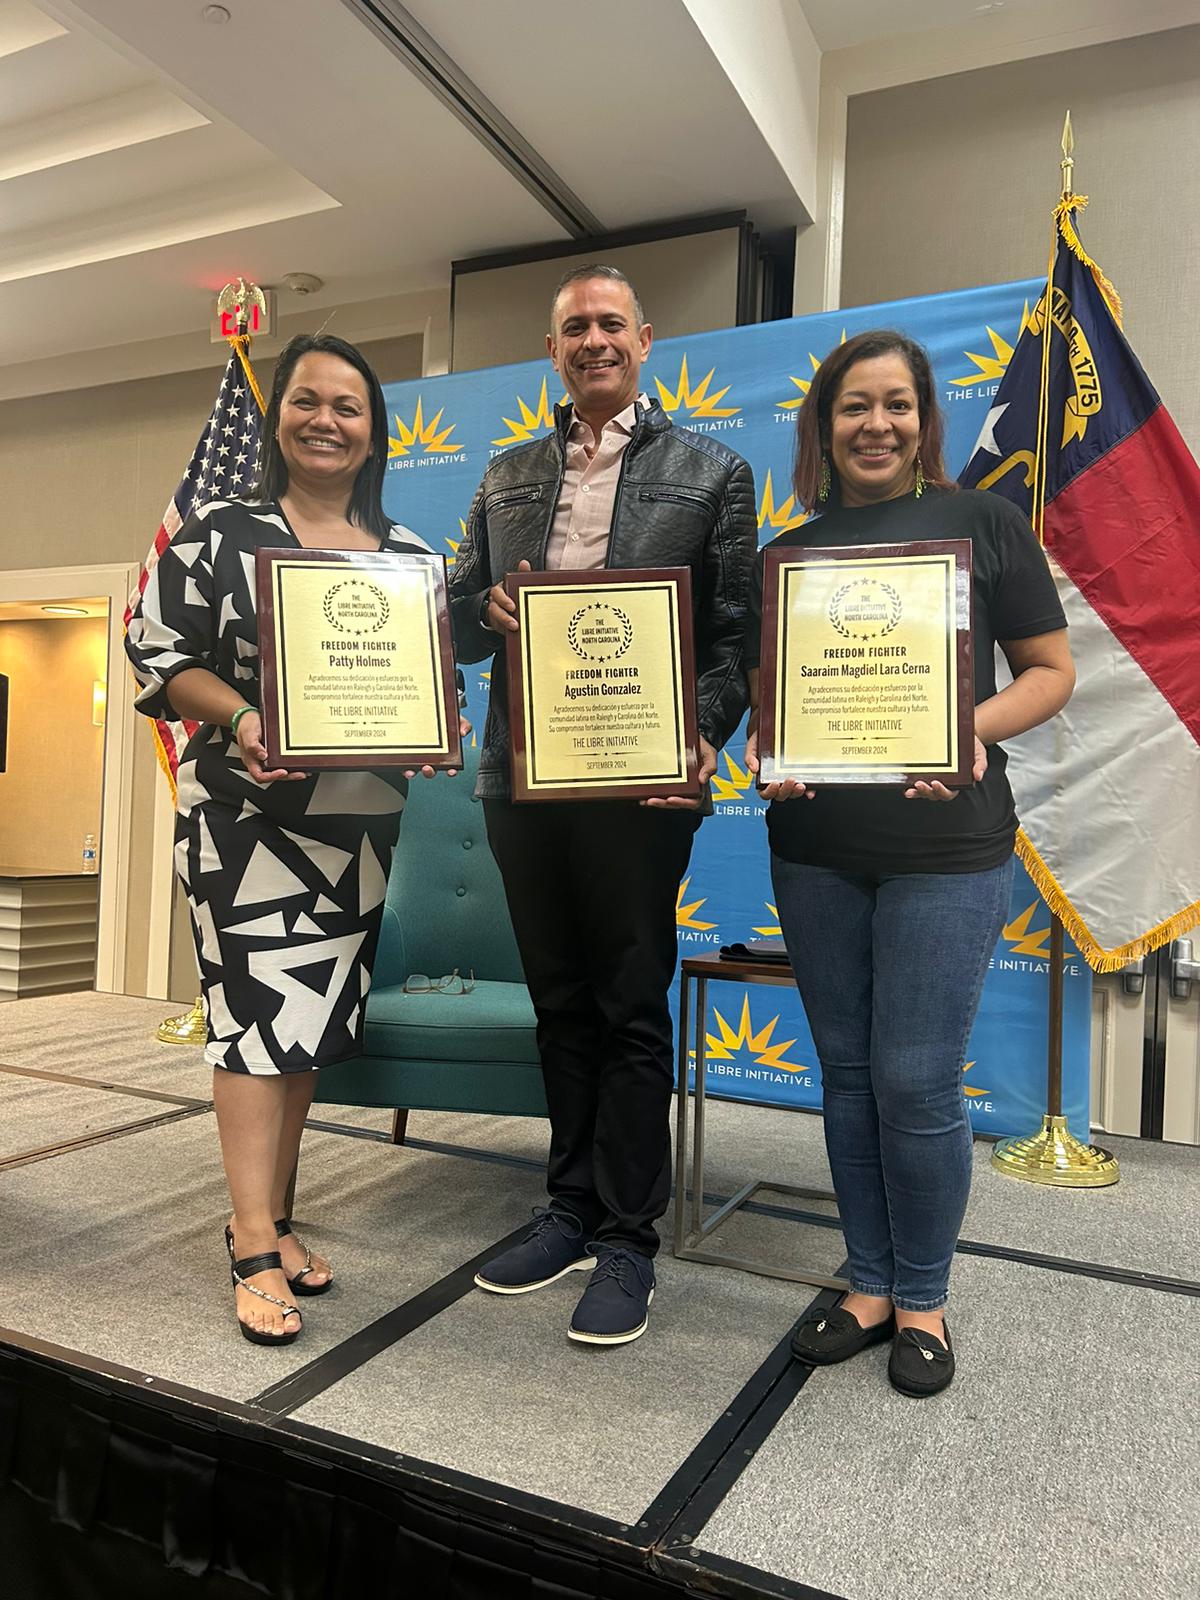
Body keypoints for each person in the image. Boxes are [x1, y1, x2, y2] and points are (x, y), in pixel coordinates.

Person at [743, 329, 1074, 1395]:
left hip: (948, 848)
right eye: (853, 406)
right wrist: (770, 752)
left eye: (895, 405)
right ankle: (870, 1279)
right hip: (818, 849)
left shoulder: (983, 521)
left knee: (916, 1080)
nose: (874, 424)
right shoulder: (785, 554)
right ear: (823, 425)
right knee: (845, 1076)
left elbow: (1051, 670)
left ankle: (924, 1294)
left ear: (924, 420)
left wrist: (968, 727)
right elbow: (772, 703)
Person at [126, 333, 459, 1347]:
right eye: (306, 400)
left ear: (374, 430)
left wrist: (439, 729)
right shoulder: (220, 531)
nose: (326, 419)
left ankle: (269, 1214)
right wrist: (240, 718)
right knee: (255, 1024)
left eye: (347, 406)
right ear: (278, 418)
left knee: (305, 1029)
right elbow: (158, 649)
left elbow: (432, 688)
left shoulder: (411, 560)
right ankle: (254, 1242)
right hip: (242, 818)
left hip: (356, 829)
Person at [449, 264, 756, 1346]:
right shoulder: (502, 473)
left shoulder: (713, 470)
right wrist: (480, 610)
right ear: (552, 348)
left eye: (610, 324)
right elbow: (450, 620)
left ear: (646, 337)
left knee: (629, 1000)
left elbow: (735, 640)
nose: (592, 340)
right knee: (561, 997)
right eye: (573, 327)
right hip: (520, 779)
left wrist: (701, 736)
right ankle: (568, 1204)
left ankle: (628, 1236)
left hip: (642, 782)